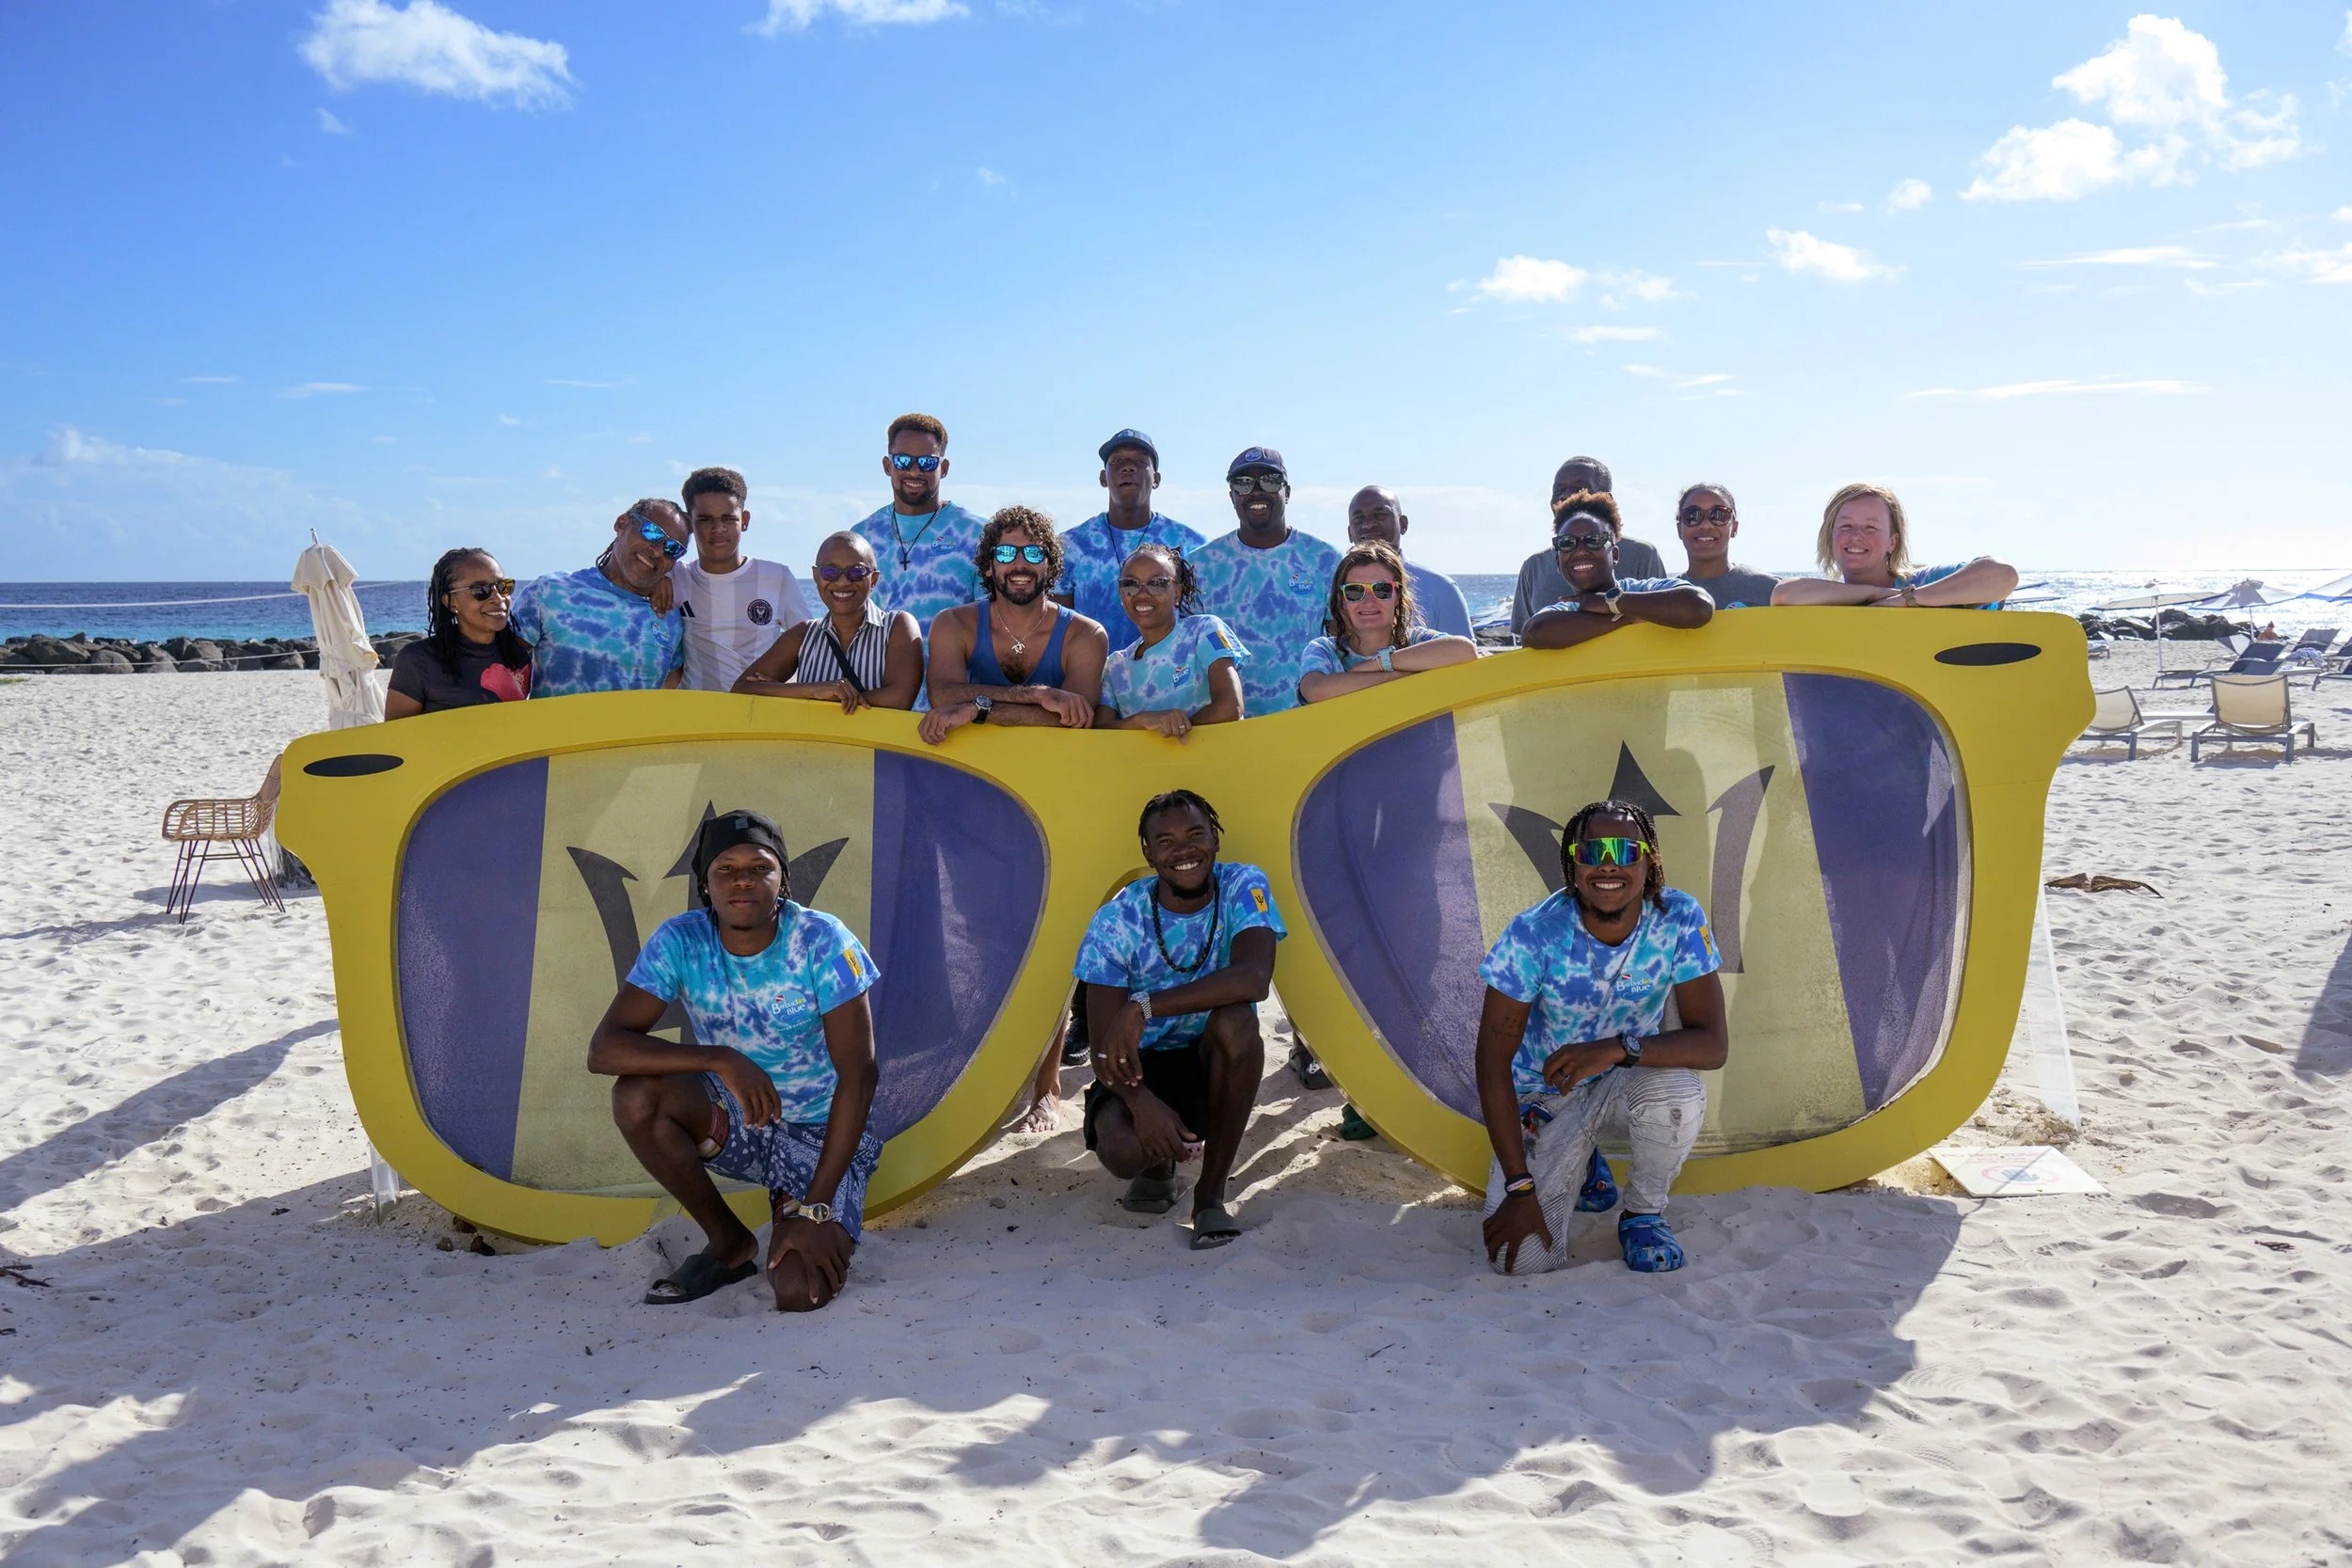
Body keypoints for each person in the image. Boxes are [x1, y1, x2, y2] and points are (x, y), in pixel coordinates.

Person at [592, 810, 882, 1311]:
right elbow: (605, 1049)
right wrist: (723, 1059)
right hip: (744, 1120)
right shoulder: (681, 940)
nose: (742, 879)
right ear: (705, 884)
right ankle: (729, 1243)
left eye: (760, 867)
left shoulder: (824, 940)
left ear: (783, 878)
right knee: (637, 1094)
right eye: (725, 868)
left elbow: (860, 1076)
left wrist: (814, 1210)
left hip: (820, 1136)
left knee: (798, 1292)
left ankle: (796, 1211)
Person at [1475, 799, 1728, 1276]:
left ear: (1649, 860)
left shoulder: (1677, 917)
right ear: (1572, 864)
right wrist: (1519, 1188)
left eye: (1623, 850)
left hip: (1626, 1079)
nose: (1607, 865)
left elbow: (1713, 1045)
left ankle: (1642, 1214)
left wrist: (1614, 1048)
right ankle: (1584, 1165)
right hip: (1546, 1094)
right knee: (1522, 1262)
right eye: (1591, 852)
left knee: (1679, 1092)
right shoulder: (1533, 934)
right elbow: (1491, 1063)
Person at [1074, 790, 1282, 1249]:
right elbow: (1107, 1050)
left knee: (1237, 1022)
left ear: (1215, 839)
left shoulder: (1244, 886)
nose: (1183, 850)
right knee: (1124, 1151)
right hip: (1141, 1067)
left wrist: (1143, 1005)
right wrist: (1141, 1104)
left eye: (1195, 835)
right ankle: (1155, 1168)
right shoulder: (1117, 919)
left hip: (1213, 1060)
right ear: (1148, 853)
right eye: (1165, 841)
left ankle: (1210, 1195)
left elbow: (1253, 979)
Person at [917, 505, 1108, 743]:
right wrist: (1038, 695)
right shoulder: (953, 624)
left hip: (1054, 768)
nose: (1020, 564)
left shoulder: (1086, 635)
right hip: (970, 765)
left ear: (1051, 567)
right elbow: (943, 696)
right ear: (988, 566)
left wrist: (977, 710)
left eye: (1034, 553)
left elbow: (1074, 718)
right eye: (1006, 553)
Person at [1190, 446, 1343, 719]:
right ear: (1232, 496)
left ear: (1288, 492)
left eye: (1270, 481)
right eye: (1244, 483)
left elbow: (1343, 643)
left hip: (1308, 722)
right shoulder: (1200, 566)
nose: (1257, 491)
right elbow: (1186, 652)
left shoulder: (1325, 559)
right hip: (1225, 728)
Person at [507, 500, 688, 697]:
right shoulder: (551, 591)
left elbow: (670, 688)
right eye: (652, 532)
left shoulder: (670, 618)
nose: (659, 551)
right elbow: (501, 669)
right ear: (622, 523)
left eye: (672, 548)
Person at [733, 531, 923, 711]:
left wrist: (808, 699)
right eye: (830, 572)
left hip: (875, 746)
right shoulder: (803, 634)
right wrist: (814, 690)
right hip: (810, 747)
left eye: (856, 572)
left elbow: (900, 699)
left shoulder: (897, 626)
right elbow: (741, 689)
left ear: (873, 579)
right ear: (816, 576)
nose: (842, 582)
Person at [1057, 430, 1207, 647]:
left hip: (1169, 677)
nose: (1128, 467)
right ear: (1102, 478)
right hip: (1093, 675)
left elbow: (1198, 623)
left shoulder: (1190, 544)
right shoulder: (1071, 546)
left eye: (1140, 461)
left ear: (1156, 479)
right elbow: (1059, 625)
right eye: (1117, 461)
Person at [670, 467, 814, 693]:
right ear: (689, 524)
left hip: (759, 714)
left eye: (728, 518)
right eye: (706, 520)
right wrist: (656, 581)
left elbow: (810, 646)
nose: (718, 529)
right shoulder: (676, 576)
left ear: (744, 521)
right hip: (696, 715)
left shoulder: (776, 577)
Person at [1518, 491, 1716, 649]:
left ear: (1614, 555)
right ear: (1558, 560)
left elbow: (1699, 606)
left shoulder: (1645, 590)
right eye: (1567, 543)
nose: (1580, 551)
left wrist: (1611, 602)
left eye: (1593, 540)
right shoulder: (1566, 609)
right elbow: (1534, 633)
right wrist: (1626, 617)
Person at [1771, 483, 2018, 609]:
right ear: (1829, 537)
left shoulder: (1926, 582)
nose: (1857, 536)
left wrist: (1908, 600)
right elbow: (1783, 595)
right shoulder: (1828, 597)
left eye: (1871, 527)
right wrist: (1876, 596)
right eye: (1846, 526)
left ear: (1893, 542)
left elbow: (2003, 575)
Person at [850, 413, 989, 630]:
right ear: (888, 466)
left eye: (927, 462)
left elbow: (993, 622)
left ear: (943, 469)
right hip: (881, 665)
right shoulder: (862, 537)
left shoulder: (977, 533)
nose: (914, 471)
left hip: (957, 665)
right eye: (903, 461)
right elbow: (851, 620)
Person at [1296, 540, 1479, 705]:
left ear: (1398, 596)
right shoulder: (1325, 650)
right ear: (1342, 599)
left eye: (1382, 589)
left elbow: (1465, 651)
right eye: (1355, 591)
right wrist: (1401, 676)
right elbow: (1316, 691)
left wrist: (1378, 664)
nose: (1368, 601)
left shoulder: (1415, 640)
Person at [1094, 542, 1248, 737]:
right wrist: (1140, 721)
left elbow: (1231, 706)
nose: (1142, 594)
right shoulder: (1115, 665)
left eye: (1157, 583)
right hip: (1146, 768)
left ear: (1177, 592)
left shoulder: (1204, 631)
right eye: (1130, 584)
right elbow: (1097, 735)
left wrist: (1174, 728)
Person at [1508, 456, 1669, 634]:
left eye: (1579, 488)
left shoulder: (1643, 555)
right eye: (1559, 490)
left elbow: (1668, 615)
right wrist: (1624, 618)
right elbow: (1526, 637)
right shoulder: (1533, 566)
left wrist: (1610, 603)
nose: (1565, 496)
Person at [384, 547, 533, 717]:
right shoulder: (418, 660)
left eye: (502, 586)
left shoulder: (517, 655)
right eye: (481, 590)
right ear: (450, 601)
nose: (498, 598)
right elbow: (396, 736)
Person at [1343, 485, 1475, 639]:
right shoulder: (1331, 590)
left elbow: (1465, 656)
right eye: (1359, 518)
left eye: (1380, 515)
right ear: (1349, 533)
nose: (1369, 524)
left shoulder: (1442, 589)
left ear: (1403, 524)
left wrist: (1381, 662)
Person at [1670, 484, 1782, 610]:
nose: (1706, 525)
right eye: (1692, 515)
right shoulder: (1661, 595)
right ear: (1679, 529)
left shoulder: (1771, 590)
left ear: (1734, 527)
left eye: (1719, 515)